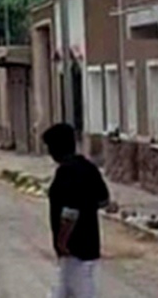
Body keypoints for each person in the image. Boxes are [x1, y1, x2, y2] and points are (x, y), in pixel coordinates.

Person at [43, 123, 110, 298]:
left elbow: (70, 212)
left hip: (74, 250)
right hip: (89, 245)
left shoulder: (66, 173)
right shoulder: (89, 168)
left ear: (56, 148)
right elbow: (104, 200)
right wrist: (88, 204)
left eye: (50, 148)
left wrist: (62, 241)